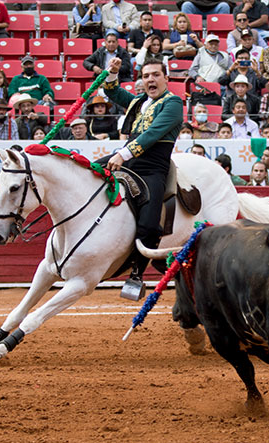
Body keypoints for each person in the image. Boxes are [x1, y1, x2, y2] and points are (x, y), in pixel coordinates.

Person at [100, 57, 184, 297]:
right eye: (146, 76)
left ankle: (136, 274)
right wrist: (112, 72)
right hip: (127, 158)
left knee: (149, 224)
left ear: (166, 78)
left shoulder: (173, 103)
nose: (150, 80)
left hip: (152, 167)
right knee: (88, 172)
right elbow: (112, 92)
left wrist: (123, 154)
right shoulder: (139, 101)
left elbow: (153, 133)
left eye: (156, 75)